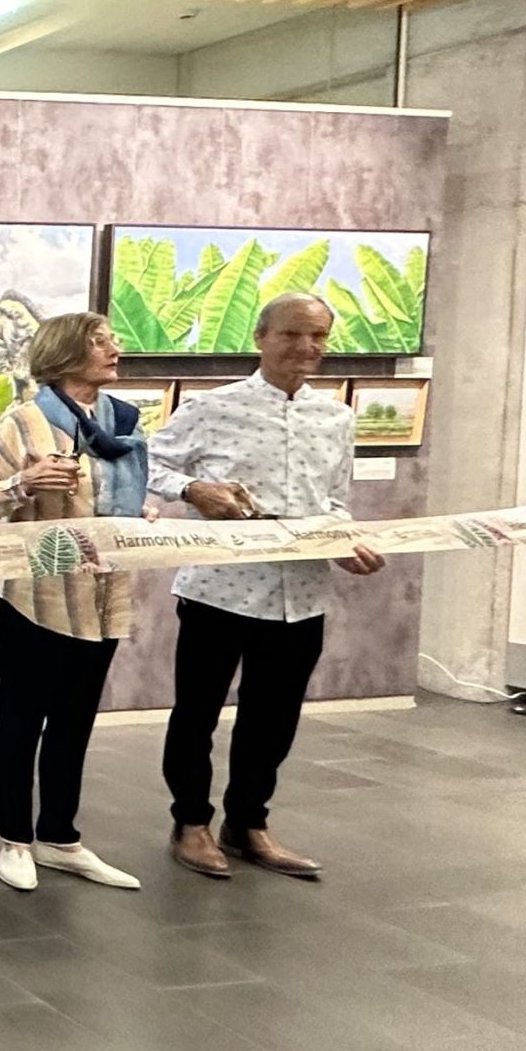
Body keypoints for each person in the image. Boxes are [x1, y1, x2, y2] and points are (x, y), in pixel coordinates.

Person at [150, 293, 387, 878]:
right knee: (197, 714)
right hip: (218, 590)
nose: (307, 347)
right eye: (291, 334)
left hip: (299, 597)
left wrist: (344, 544)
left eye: (319, 336)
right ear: (260, 337)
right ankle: (191, 823)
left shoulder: (337, 418)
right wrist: (192, 490)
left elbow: (334, 501)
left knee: (274, 718)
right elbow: (147, 465)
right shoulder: (211, 408)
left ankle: (248, 822)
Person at [0, 313, 158, 893]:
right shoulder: (24, 421)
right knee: (21, 721)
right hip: (38, 598)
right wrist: (23, 485)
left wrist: (140, 512)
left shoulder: (125, 422)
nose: (115, 348)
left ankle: (59, 837)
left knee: (75, 722)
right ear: (66, 352)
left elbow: (125, 499)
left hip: (104, 596)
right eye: (100, 341)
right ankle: (15, 840)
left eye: (112, 339)